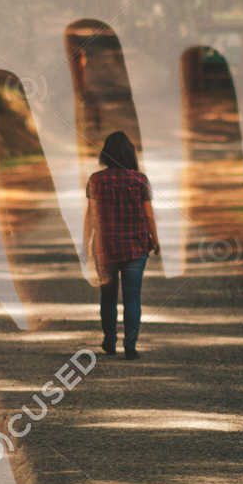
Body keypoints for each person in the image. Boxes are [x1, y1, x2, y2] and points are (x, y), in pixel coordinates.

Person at [84, 130, 160, 358]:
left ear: (105, 154)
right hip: (135, 247)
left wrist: (87, 242)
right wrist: (155, 240)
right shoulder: (140, 180)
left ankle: (109, 340)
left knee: (107, 296)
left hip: (105, 248)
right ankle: (130, 345)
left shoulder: (95, 180)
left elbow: (91, 215)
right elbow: (149, 216)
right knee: (132, 297)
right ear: (130, 154)